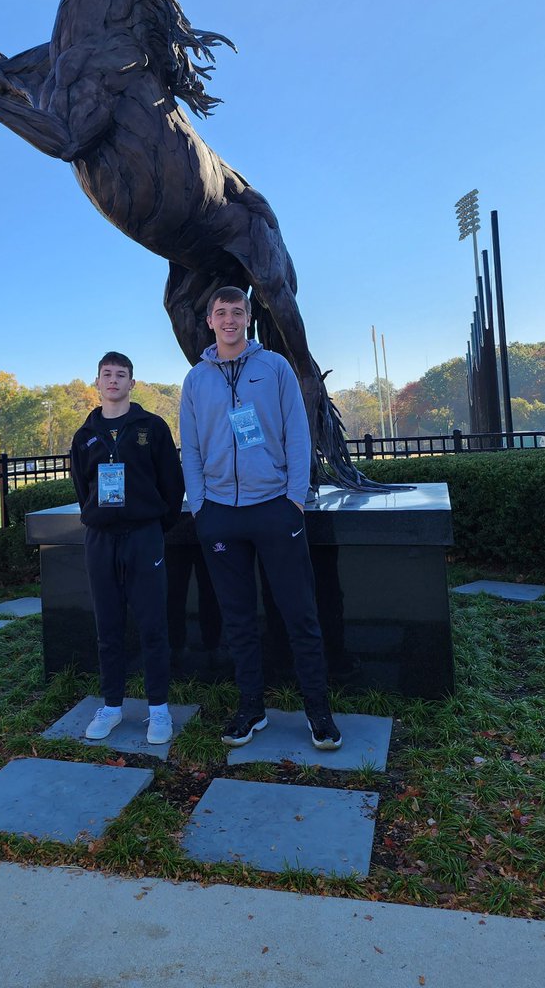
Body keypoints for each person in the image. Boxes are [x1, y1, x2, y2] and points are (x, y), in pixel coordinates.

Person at [179, 287, 342, 751]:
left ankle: (318, 710)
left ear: (248, 317)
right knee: (238, 619)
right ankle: (251, 707)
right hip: (220, 516)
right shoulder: (195, 380)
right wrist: (201, 506)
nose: (229, 319)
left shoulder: (275, 367)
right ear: (210, 321)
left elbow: (297, 432)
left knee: (299, 613)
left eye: (237, 311)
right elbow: (190, 446)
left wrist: (294, 497)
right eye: (220, 312)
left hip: (274, 507)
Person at [71, 352, 185, 744]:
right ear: (98, 382)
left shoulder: (151, 428)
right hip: (101, 540)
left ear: (132, 383)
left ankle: (158, 710)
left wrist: (152, 522)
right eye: (107, 374)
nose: (114, 380)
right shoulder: (84, 435)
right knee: (108, 626)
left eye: (122, 375)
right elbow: (82, 488)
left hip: (144, 537)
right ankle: (112, 706)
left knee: (153, 624)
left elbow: (172, 483)